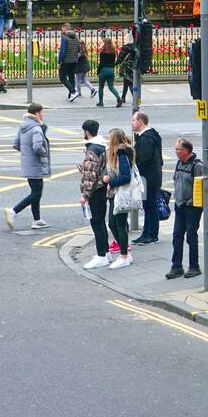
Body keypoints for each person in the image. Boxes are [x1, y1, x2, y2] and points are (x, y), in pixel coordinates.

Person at [4, 103, 51, 230]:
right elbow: (37, 147)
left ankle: (37, 220)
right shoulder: (36, 128)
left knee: (36, 191)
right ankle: (13, 211)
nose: (43, 114)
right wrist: (44, 153)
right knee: (36, 193)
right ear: (36, 113)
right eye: (42, 112)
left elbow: (16, 144)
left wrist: (27, 154)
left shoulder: (24, 126)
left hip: (28, 164)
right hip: (36, 165)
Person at [166, 138, 205, 279]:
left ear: (186, 151)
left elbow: (201, 188)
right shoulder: (179, 162)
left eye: (178, 149)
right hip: (179, 205)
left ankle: (194, 267)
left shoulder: (197, 166)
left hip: (192, 208)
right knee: (177, 236)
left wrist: (190, 202)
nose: (176, 151)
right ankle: (176, 266)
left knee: (191, 236)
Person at [79, 120, 112, 269]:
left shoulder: (92, 149)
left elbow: (91, 175)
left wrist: (85, 195)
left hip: (96, 190)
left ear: (86, 131)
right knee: (101, 222)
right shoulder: (102, 146)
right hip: (103, 188)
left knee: (96, 222)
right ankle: (106, 251)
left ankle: (102, 255)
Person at [103, 128, 136, 269]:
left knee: (120, 225)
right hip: (115, 194)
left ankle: (124, 256)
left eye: (109, 138)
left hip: (121, 194)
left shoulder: (122, 153)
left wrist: (110, 181)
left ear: (114, 139)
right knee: (112, 223)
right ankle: (125, 252)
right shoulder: (117, 152)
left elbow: (126, 177)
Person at [131, 111, 163, 245]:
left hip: (147, 178)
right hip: (152, 177)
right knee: (149, 205)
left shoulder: (145, 139)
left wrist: (135, 175)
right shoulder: (151, 135)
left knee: (150, 206)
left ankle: (151, 234)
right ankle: (147, 232)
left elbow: (144, 160)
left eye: (133, 120)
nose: (132, 123)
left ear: (140, 122)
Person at [57, 24, 85, 101]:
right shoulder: (76, 37)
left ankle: (73, 92)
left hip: (66, 61)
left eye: (62, 28)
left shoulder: (64, 37)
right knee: (71, 77)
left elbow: (63, 51)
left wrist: (59, 61)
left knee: (62, 77)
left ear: (65, 29)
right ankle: (71, 96)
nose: (61, 30)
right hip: (74, 61)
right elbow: (79, 49)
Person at [96, 37, 122, 107]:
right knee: (111, 87)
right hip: (111, 70)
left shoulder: (103, 52)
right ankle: (119, 99)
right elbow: (114, 61)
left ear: (104, 43)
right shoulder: (113, 52)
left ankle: (101, 102)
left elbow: (101, 63)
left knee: (101, 87)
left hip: (104, 70)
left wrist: (98, 71)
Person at [115, 40, 138, 107]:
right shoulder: (136, 47)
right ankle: (123, 97)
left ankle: (134, 98)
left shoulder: (125, 48)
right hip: (133, 66)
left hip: (126, 66)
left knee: (129, 83)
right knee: (127, 82)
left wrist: (116, 62)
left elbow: (120, 58)